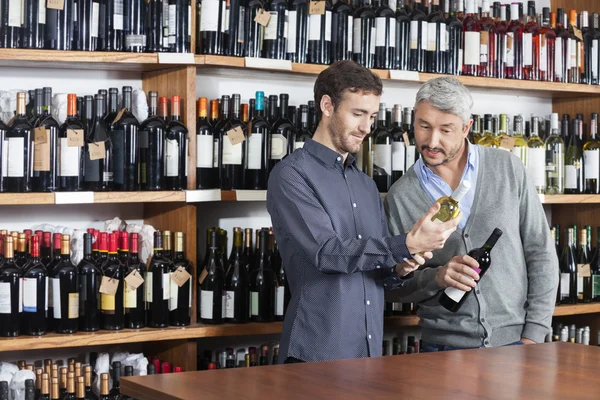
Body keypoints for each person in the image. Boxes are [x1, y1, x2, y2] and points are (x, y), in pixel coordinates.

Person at [266, 61, 461, 363]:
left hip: (368, 355)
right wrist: (406, 244)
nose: (366, 128)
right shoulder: (291, 175)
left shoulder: (366, 185)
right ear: (327, 105)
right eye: (357, 114)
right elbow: (326, 253)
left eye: (371, 116)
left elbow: (375, 272)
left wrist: (400, 266)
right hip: (315, 354)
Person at [384, 77, 559, 351]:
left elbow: (541, 253)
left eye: (446, 129)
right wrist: (437, 277)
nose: (432, 141)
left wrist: (534, 334)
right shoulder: (400, 196)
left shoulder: (507, 169)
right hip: (442, 351)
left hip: (514, 346)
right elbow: (394, 286)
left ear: (467, 127)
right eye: (424, 126)